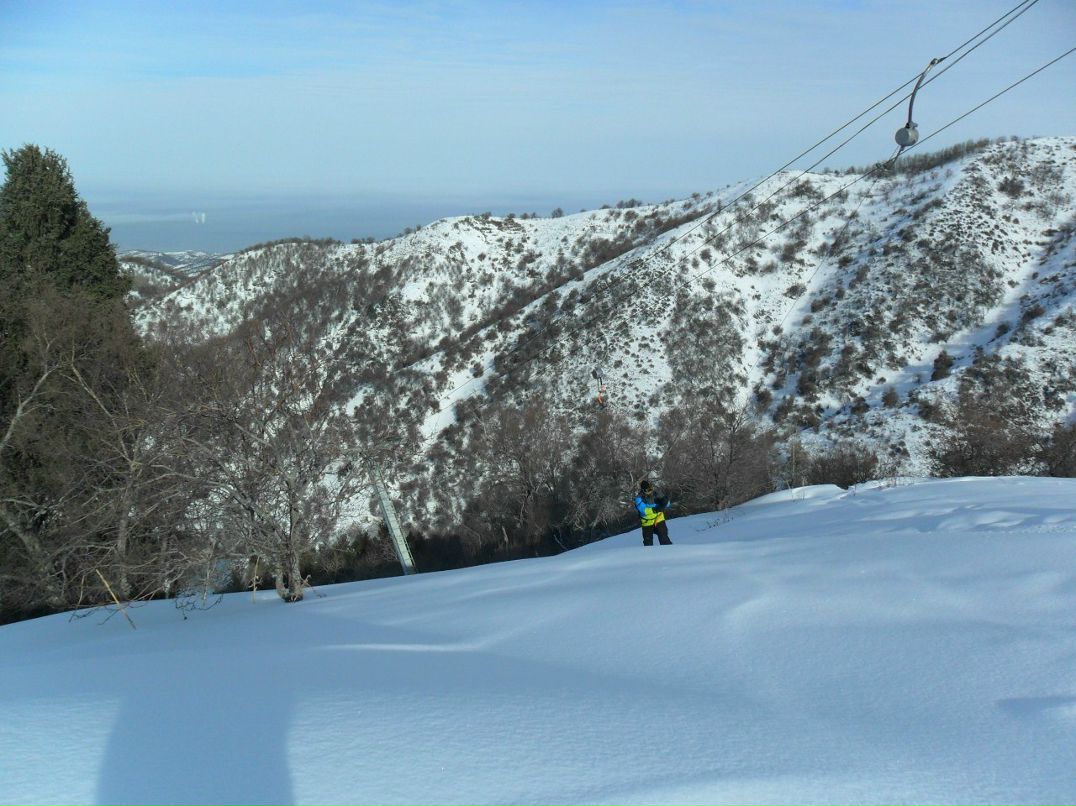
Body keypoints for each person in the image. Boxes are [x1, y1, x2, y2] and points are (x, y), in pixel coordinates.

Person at [634, 479, 672, 546]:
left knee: (663, 537)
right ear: (643, 490)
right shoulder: (639, 498)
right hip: (647, 522)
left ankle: (670, 551)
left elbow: (668, 504)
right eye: (647, 490)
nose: (650, 491)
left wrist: (664, 502)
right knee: (648, 542)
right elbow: (643, 510)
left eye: (650, 489)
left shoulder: (656, 493)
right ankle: (649, 555)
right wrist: (656, 509)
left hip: (658, 518)